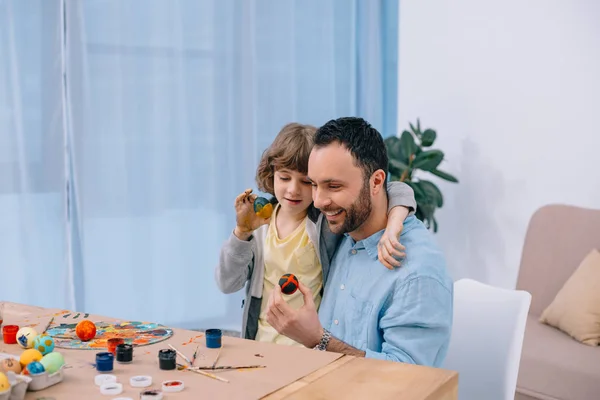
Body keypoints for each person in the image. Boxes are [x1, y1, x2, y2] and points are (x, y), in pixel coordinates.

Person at [265, 117, 453, 367]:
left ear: (376, 182)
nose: (319, 202)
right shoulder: (344, 230)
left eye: (333, 186)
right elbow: (396, 190)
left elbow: (409, 379)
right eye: (314, 184)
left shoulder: (416, 274)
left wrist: (318, 340)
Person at [215, 122, 418, 346]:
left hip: (310, 350)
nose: (293, 190)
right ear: (271, 173)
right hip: (261, 345)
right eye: (284, 178)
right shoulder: (259, 223)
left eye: (306, 182)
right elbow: (227, 284)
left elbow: (396, 189)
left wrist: (394, 223)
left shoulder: (324, 221)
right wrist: (242, 233)